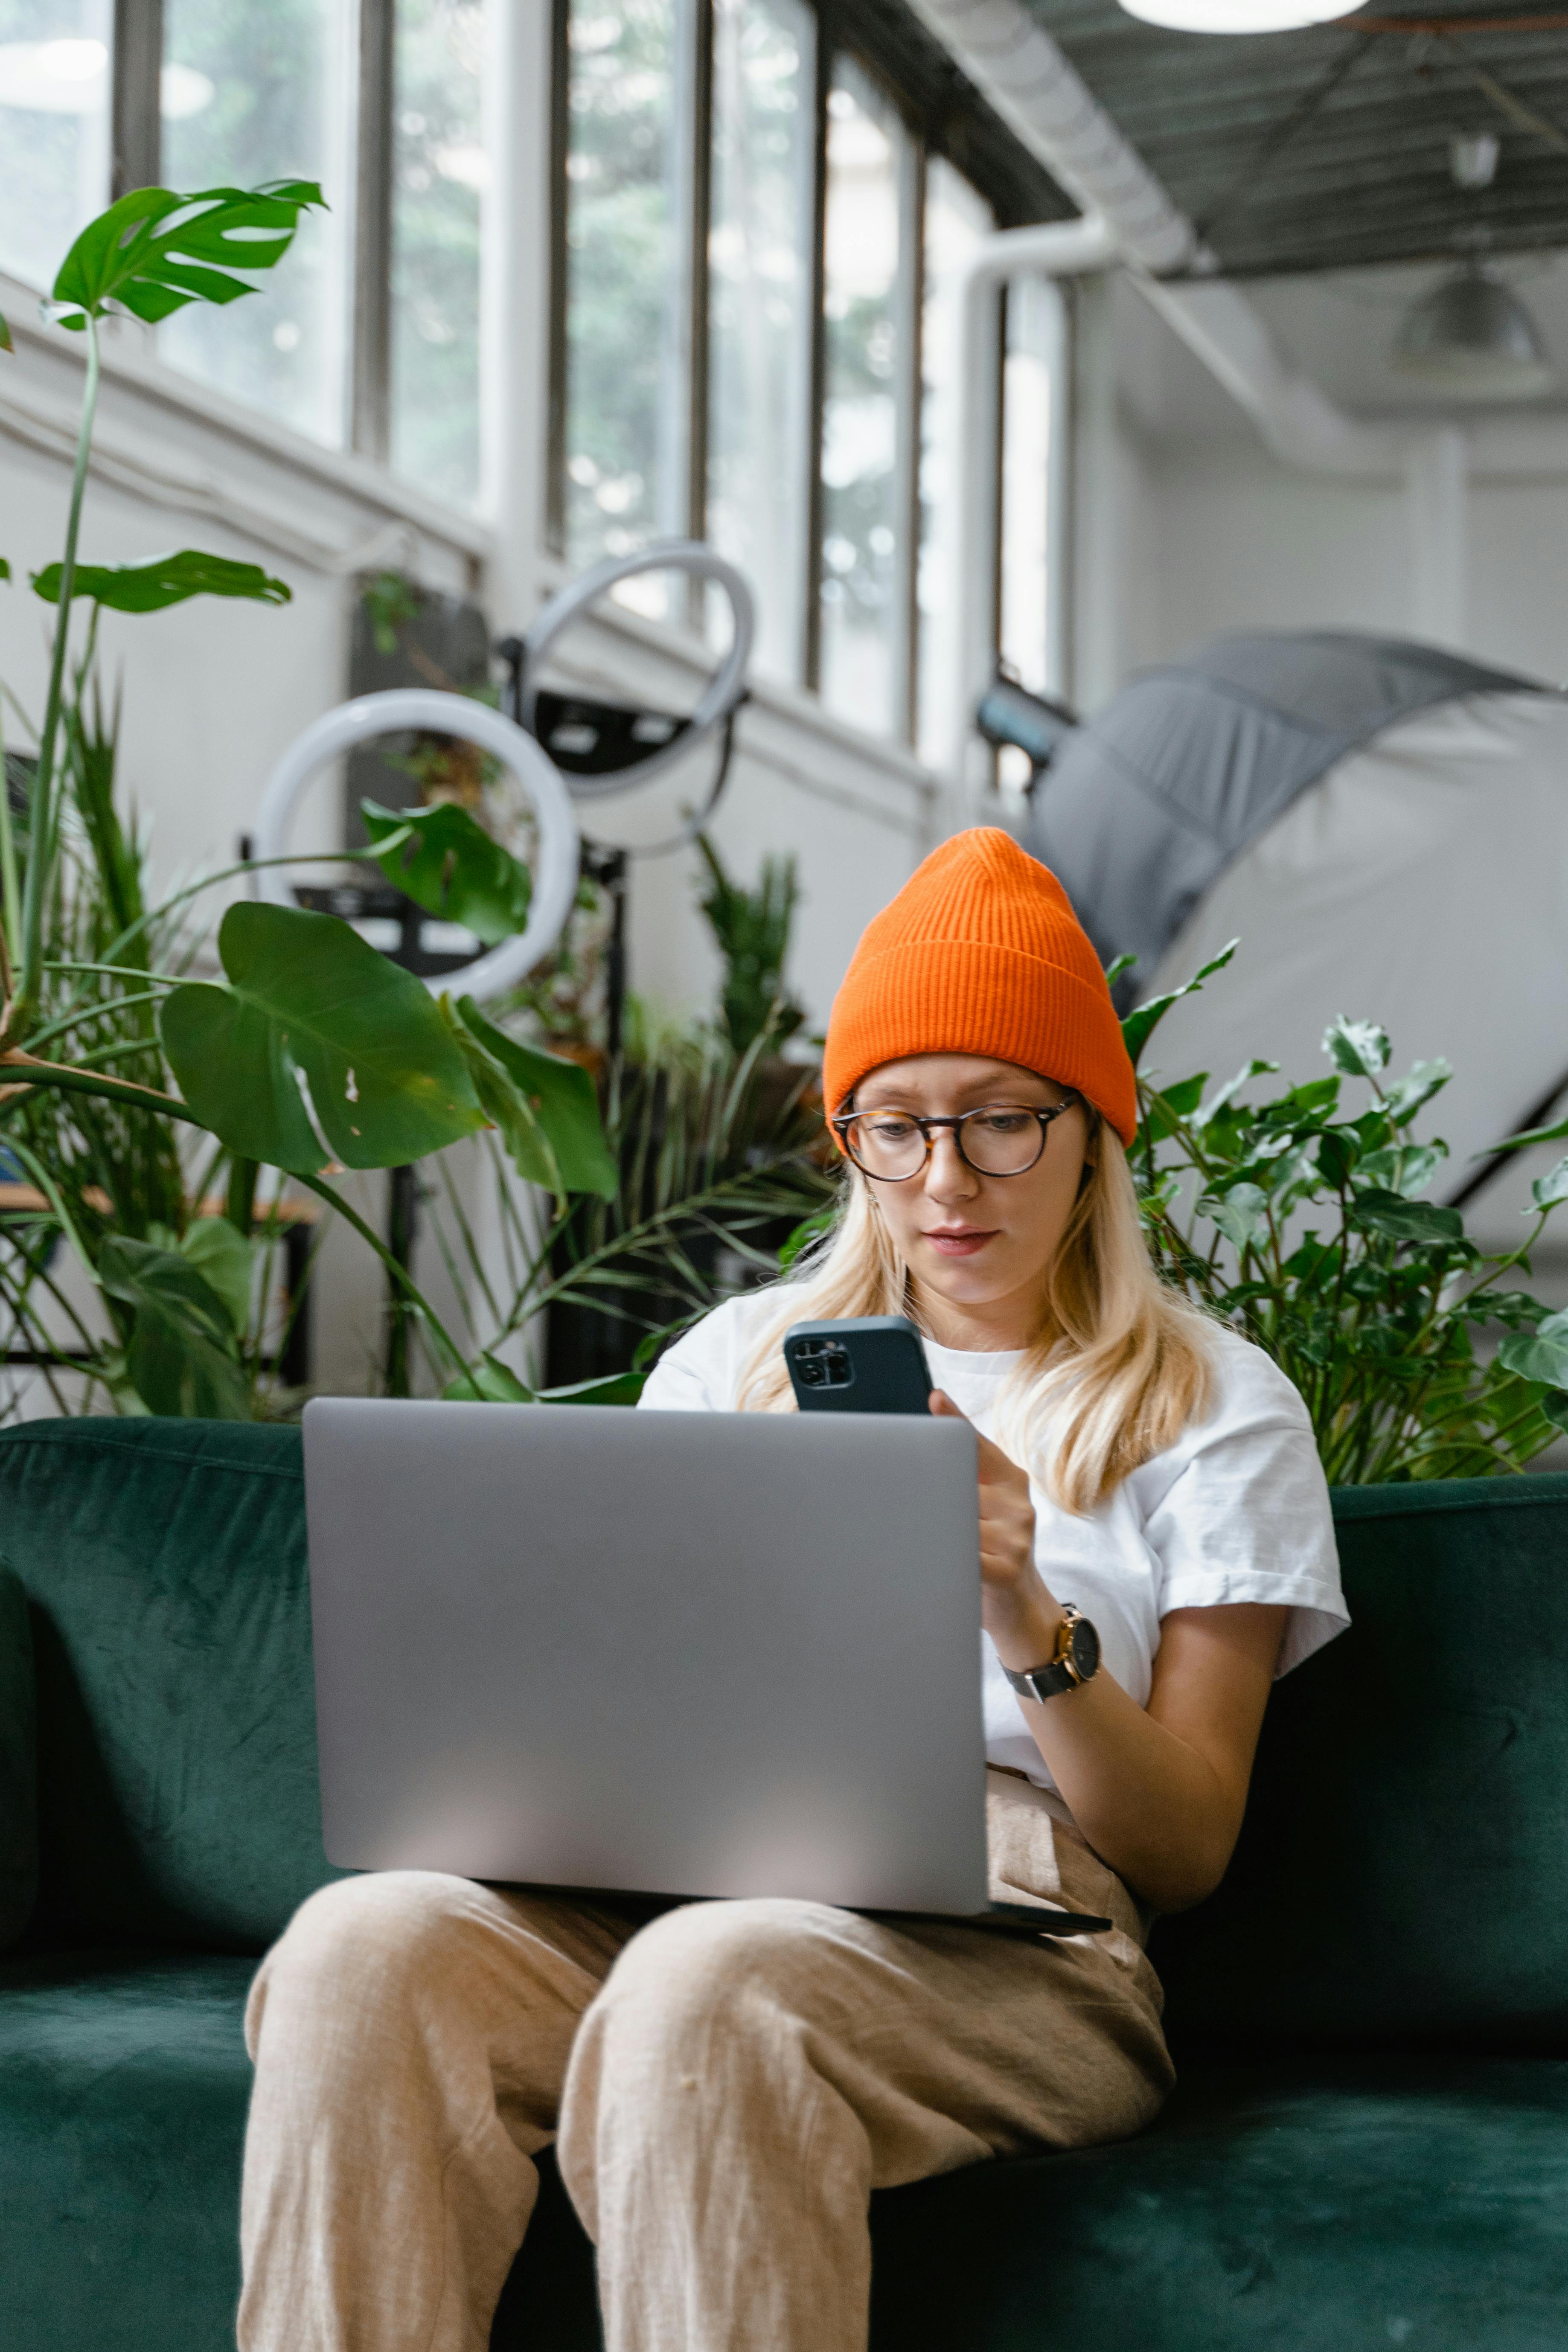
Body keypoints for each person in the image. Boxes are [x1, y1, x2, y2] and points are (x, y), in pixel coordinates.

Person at [238, 827, 1347, 2352]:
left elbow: (1185, 1846)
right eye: (892, 1126)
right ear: (847, 1140)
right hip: (687, 1879)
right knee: (361, 1951)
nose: (943, 1178)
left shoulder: (1213, 1400)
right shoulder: (731, 1362)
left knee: (708, 1990)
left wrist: (1019, 1607)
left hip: (1018, 1930)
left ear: (1094, 1129)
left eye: (999, 1120)